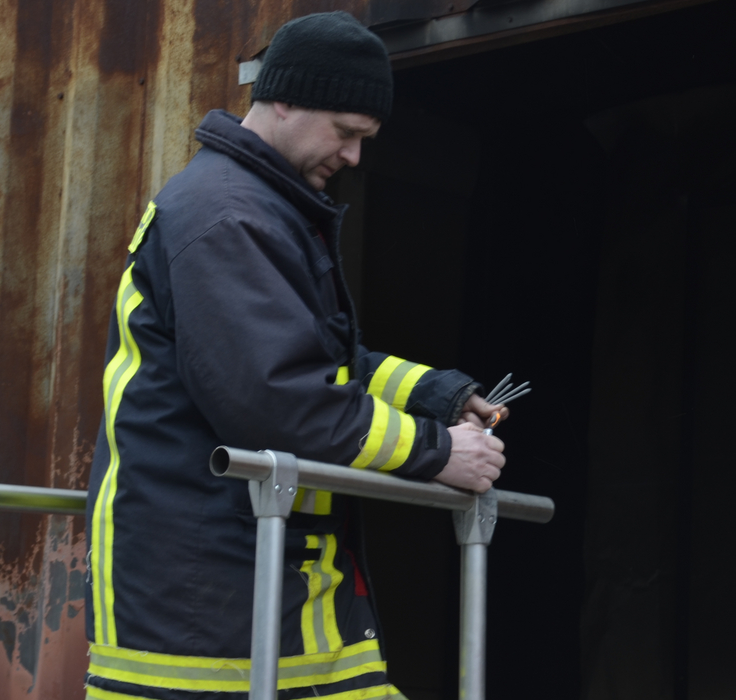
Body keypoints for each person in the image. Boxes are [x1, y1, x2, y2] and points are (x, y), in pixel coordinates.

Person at [82, 12, 508, 700]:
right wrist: (439, 452)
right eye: (346, 133)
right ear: (284, 99)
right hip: (201, 608)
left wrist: (438, 395)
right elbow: (276, 401)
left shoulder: (259, 209)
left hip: (267, 586)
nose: (354, 157)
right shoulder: (226, 217)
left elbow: (318, 360)